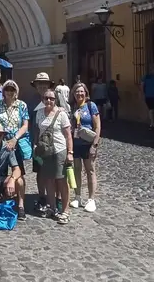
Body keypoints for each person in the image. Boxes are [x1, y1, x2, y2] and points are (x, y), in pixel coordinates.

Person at [0, 80, 30, 220]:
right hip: (0, 144)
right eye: (7, 89)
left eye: (12, 90)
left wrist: (15, 139)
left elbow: (25, 125)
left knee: (18, 175)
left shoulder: (22, 105)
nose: (9, 92)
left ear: (16, 92)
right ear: (3, 91)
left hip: (15, 145)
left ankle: (21, 205)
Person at [34, 89, 73, 225]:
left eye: (51, 98)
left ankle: (65, 211)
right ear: (43, 99)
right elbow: (38, 131)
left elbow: (68, 135)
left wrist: (70, 152)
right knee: (49, 180)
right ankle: (52, 207)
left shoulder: (62, 114)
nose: (49, 100)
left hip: (59, 150)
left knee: (61, 181)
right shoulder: (39, 113)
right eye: (46, 98)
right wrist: (35, 146)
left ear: (56, 100)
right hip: (45, 152)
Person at [69, 82, 101, 213]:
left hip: (88, 144)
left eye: (81, 91)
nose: (79, 94)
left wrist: (95, 145)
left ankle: (91, 199)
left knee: (90, 170)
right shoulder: (73, 107)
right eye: (77, 91)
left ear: (86, 93)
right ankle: (77, 196)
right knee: (77, 170)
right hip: (76, 143)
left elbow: (97, 127)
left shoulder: (90, 106)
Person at [30, 72, 55, 216]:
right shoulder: (32, 102)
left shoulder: (55, 100)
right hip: (38, 144)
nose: (42, 86)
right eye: (39, 83)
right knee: (40, 171)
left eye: (44, 83)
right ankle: (42, 196)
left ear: (49, 85)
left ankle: (55, 198)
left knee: (54, 172)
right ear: (36, 86)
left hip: (53, 144)